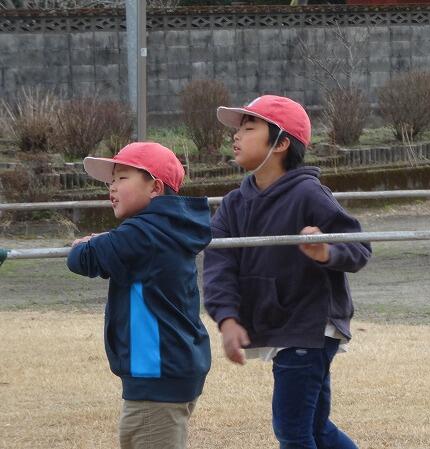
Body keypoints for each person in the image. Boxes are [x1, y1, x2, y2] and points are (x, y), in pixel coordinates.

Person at [203, 95, 371, 449]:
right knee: (316, 429)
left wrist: (325, 250)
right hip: (280, 325)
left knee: (292, 431)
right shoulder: (233, 204)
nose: (236, 136)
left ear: (281, 143)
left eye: (249, 128)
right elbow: (219, 265)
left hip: (309, 326)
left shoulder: (309, 193)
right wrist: (227, 319)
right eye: (238, 129)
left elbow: (359, 248)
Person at [67, 142, 212, 449]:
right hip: (173, 366)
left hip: (155, 373)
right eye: (111, 181)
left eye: (122, 178)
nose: (112, 187)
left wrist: (85, 245)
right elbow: (118, 247)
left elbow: (83, 260)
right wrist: (109, 239)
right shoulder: (167, 229)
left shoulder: (144, 233)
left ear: (155, 187)